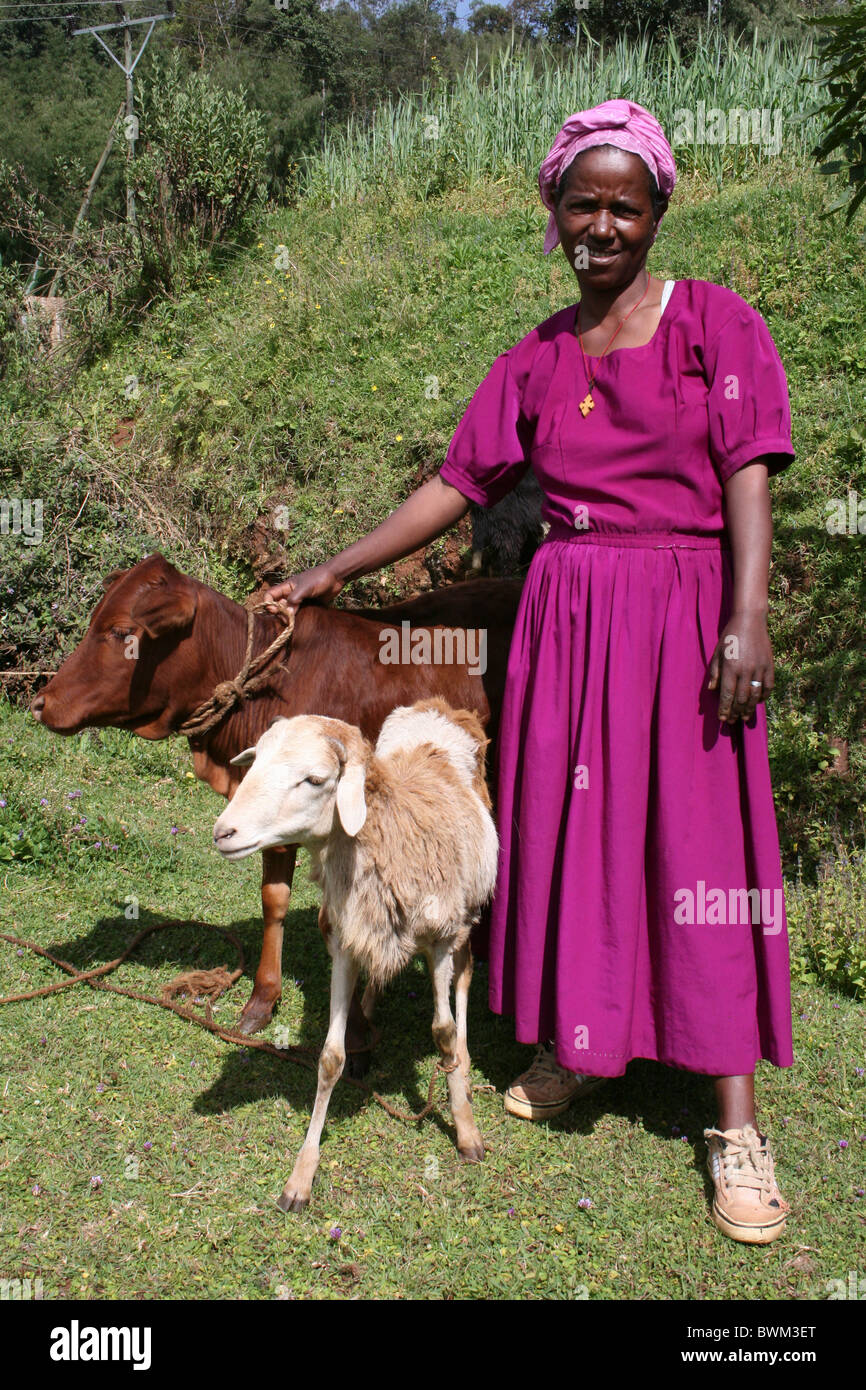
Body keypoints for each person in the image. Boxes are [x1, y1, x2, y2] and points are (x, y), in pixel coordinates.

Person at [263, 99, 796, 1245]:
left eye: (624, 205)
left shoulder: (713, 324)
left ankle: (733, 1122)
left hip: (685, 612)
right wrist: (327, 569)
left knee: (698, 844)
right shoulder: (536, 359)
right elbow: (453, 486)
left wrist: (745, 619)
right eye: (581, 203)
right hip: (568, 626)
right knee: (576, 838)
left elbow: (749, 466)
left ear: (658, 210)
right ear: (552, 210)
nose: (601, 224)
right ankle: (582, 1046)